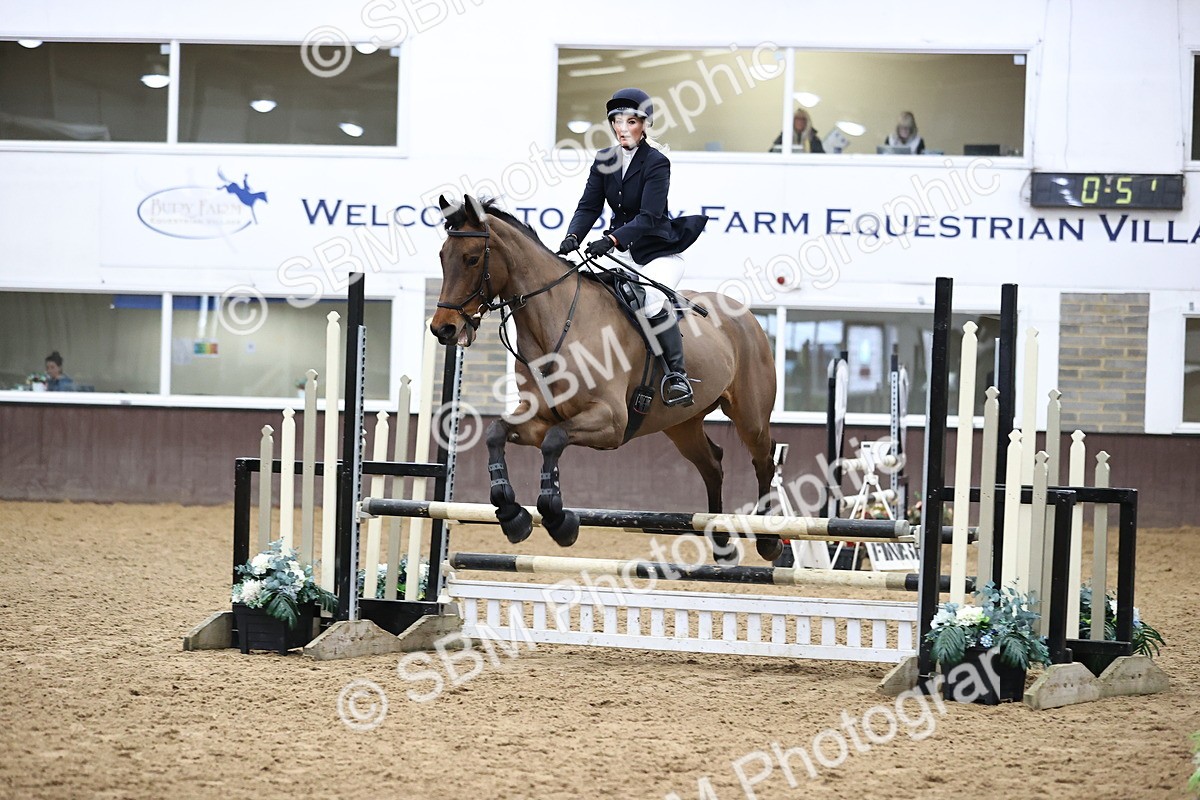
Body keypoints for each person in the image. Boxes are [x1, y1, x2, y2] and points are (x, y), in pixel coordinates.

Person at [557, 87, 709, 408]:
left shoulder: (657, 163)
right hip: (621, 250)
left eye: (630, 121)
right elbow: (589, 207)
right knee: (588, 293)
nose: (622, 128)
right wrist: (573, 237)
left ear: (644, 125)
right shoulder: (605, 159)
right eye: (617, 121)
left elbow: (650, 217)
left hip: (657, 252)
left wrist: (611, 239)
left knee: (651, 301)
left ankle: (676, 374)